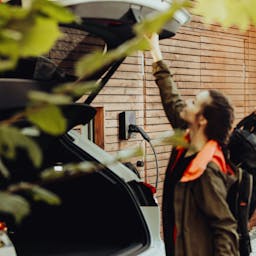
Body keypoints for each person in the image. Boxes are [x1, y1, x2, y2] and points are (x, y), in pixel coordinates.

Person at [149, 33, 239, 256]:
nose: (187, 102)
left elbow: (225, 228)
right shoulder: (187, 137)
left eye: (194, 102)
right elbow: (172, 99)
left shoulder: (206, 170)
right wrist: (154, 49)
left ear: (202, 120)